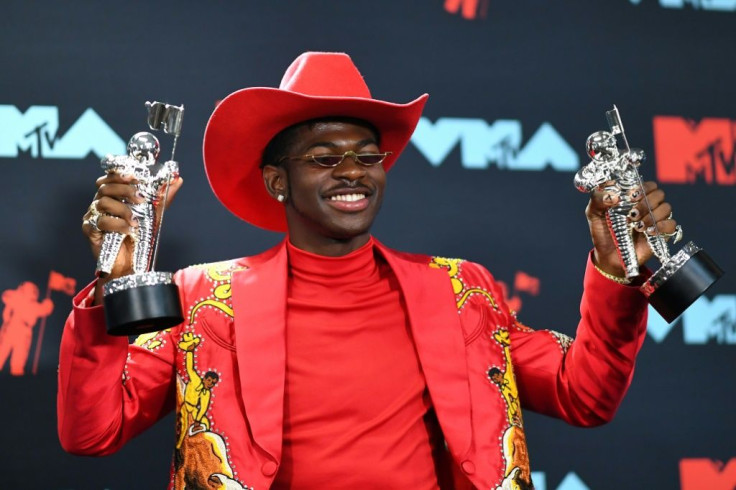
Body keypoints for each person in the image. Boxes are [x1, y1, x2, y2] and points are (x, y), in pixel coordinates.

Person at [58, 52, 679, 490]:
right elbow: (92, 432)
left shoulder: (461, 288)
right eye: (324, 157)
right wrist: (113, 286)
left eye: (366, 155)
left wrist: (614, 264)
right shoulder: (201, 295)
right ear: (278, 181)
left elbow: (586, 392)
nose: (352, 171)